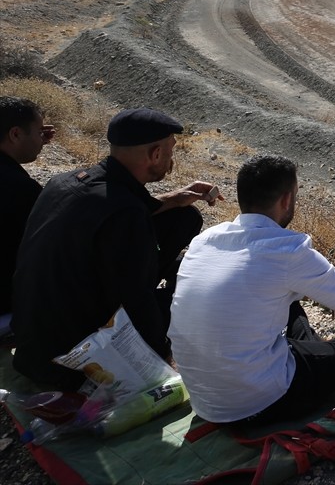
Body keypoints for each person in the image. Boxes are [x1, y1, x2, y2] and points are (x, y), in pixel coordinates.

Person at [169, 156, 335, 424]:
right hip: (260, 404)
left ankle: (312, 355)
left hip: (205, 402)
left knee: (286, 305)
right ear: (286, 199)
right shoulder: (288, 251)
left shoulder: (204, 241)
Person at [11, 108, 221, 387]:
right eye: (170, 152)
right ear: (156, 154)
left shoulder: (63, 182)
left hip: (32, 343)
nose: (172, 160)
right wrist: (160, 368)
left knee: (184, 217)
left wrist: (175, 198)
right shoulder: (126, 216)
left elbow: (112, 203)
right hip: (72, 361)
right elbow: (136, 302)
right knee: (196, 298)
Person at [0, 97, 55, 323]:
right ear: (15, 134)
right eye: (37, 133)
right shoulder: (21, 189)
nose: (42, 141)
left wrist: (32, 140)